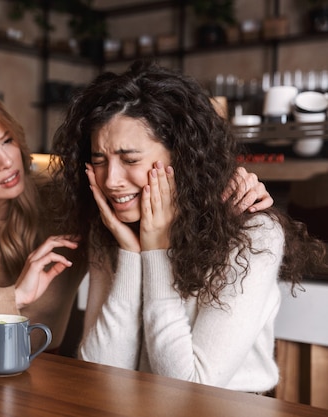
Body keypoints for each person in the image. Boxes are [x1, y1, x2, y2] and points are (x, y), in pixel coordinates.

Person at [0, 86, 274, 352]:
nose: (8, 160)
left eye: (6, 139)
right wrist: (13, 297)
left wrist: (227, 182)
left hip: (33, 378)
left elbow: (145, 190)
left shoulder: (65, 198)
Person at [50, 60, 325, 391]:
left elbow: (189, 390)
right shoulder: (110, 228)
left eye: (130, 160)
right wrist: (131, 254)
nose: (112, 180)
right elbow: (102, 375)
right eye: (99, 160)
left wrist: (156, 252)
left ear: (181, 156)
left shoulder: (251, 233)